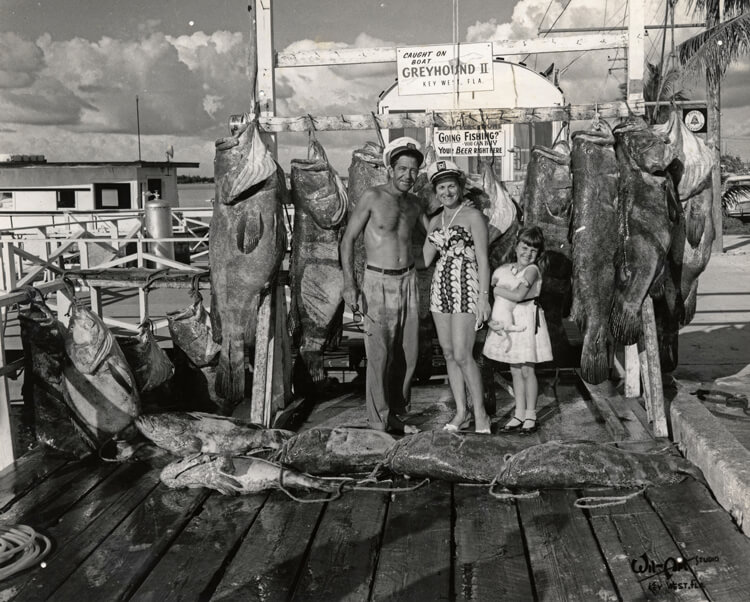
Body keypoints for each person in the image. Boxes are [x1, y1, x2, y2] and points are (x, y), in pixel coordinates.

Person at [340, 137, 428, 435]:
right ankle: (378, 421)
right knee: (379, 356)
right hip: (377, 282)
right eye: (402, 169)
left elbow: (436, 236)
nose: (408, 175)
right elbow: (348, 239)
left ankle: (396, 414)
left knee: (408, 354)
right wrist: (349, 282)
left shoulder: (415, 204)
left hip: (409, 281)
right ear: (390, 169)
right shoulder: (372, 197)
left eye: (413, 170)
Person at [423, 160, 493, 434]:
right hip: (441, 289)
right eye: (441, 187)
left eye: (451, 185)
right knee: (450, 354)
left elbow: (484, 260)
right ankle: (461, 413)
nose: (447, 192)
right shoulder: (434, 220)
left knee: (464, 354)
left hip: (467, 285)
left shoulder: (473, 217)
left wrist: (484, 298)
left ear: (460, 187)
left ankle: (482, 416)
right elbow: (426, 259)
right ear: (435, 191)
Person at [483, 226, 553, 434]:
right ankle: (519, 413)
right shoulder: (506, 269)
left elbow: (519, 295)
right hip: (510, 319)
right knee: (514, 369)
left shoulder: (532, 270)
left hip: (527, 319)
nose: (527, 253)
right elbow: (494, 293)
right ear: (516, 247)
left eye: (533, 250)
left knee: (527, 369)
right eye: (524, 248)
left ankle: (531, 413)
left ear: (538, 254)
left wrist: (496, 289)